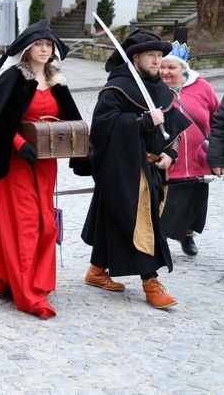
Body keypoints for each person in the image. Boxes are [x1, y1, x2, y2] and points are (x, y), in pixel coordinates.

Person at [0, 20, 90, 319]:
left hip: (45, 165)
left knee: (45, 224)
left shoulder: (57, 80)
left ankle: (24, 280)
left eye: (48, 45)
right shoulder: (13, 78)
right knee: (26, 225)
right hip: (16, 165)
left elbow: (71, 120)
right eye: (38, 44)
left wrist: (75, 147)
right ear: (27, 49)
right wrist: (19, 145)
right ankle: (29, 294)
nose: (43, 49)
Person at [81, 29, 190, 310]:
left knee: (115, 218)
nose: (157, 61)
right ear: (135, 57)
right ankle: (150, 281)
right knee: (142, 224)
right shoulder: (116, 89)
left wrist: (170, 153)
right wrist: (141, 121)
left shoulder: (161, 90)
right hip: (123, 168)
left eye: (159, 55)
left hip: (152, 167)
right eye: (151, 56)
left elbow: (173, 130)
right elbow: (103, 129)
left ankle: (96, 270)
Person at [160, 42, 219, 257]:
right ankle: (161, 238)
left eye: (171, 68)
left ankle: (188, 234)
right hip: (167, 158)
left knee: (195, 203)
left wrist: (217, 154)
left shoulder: (202, 87)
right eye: (162, 67)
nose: (165, 72)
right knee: (166, 201)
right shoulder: (153, 89)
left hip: (197, 158)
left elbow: (217, 119)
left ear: (183, 69)